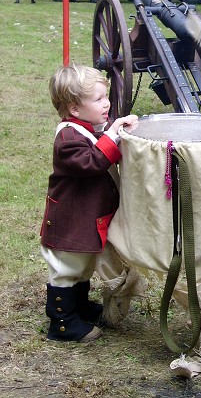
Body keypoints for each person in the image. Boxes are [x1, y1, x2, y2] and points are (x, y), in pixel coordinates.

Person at [40, 64, 138, 343]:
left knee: (83, 266)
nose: (106, 103)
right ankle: (61, 323)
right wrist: (113, 135)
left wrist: (118, 131)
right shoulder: (67, 138)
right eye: (97, 99)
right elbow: (92, 162)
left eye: (105, 97)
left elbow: (102, 142)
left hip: (85, 219)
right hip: (69, 222)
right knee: (67, 269)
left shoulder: (88, 127)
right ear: (73, 108)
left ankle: (79, 307)